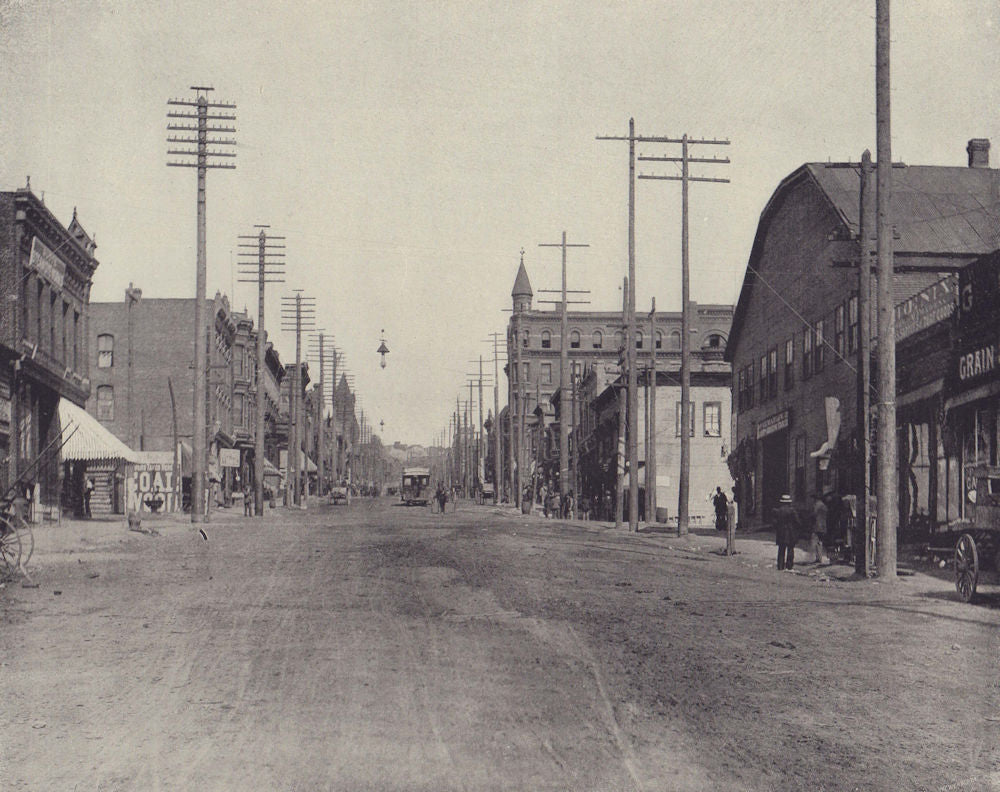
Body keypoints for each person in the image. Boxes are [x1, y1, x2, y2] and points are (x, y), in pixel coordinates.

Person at [774, 493, 800, 571]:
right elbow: (797, 521)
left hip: (781, 532)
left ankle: (780, 565)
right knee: (790, 549)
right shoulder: (792, 511)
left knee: (781, 549)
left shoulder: (778, 511)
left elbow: (775, 522)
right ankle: (789, 565)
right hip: (790, 532)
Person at [810, 492, 828, 564]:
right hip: (823, 525)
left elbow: (814, 514)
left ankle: (818, 558)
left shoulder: (817, 505)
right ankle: (819, 557)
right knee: (820, 542)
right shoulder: (824, 505)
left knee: (816, 542)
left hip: (817, 525)